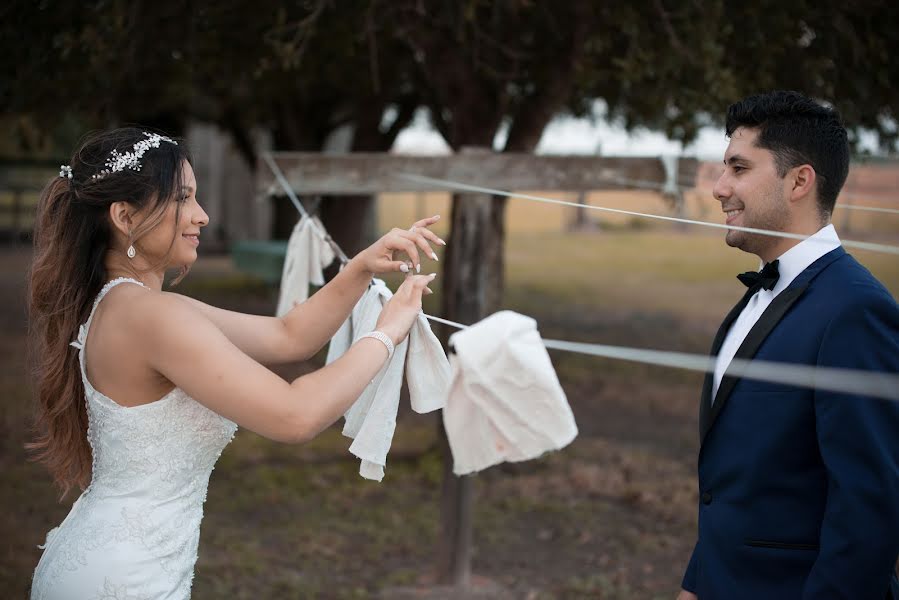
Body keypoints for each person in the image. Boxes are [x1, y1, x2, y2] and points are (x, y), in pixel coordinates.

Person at [27, 127, 442, 599]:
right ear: (124, 216)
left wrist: (360, 267)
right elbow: (295, 415)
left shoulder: (128, 306)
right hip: (123, 580)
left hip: (117, 563)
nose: (201, 216)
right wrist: (387, 332)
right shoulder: (151, 316)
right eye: (183, 199)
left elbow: (289, 337)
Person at [678, 91, 899, 599]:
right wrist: (696, 585)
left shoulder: (856, 311)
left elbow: (869, 514)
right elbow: (736, 485)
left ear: (799, 180)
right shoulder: (752, 302)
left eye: (738, 168)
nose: (718, 188)